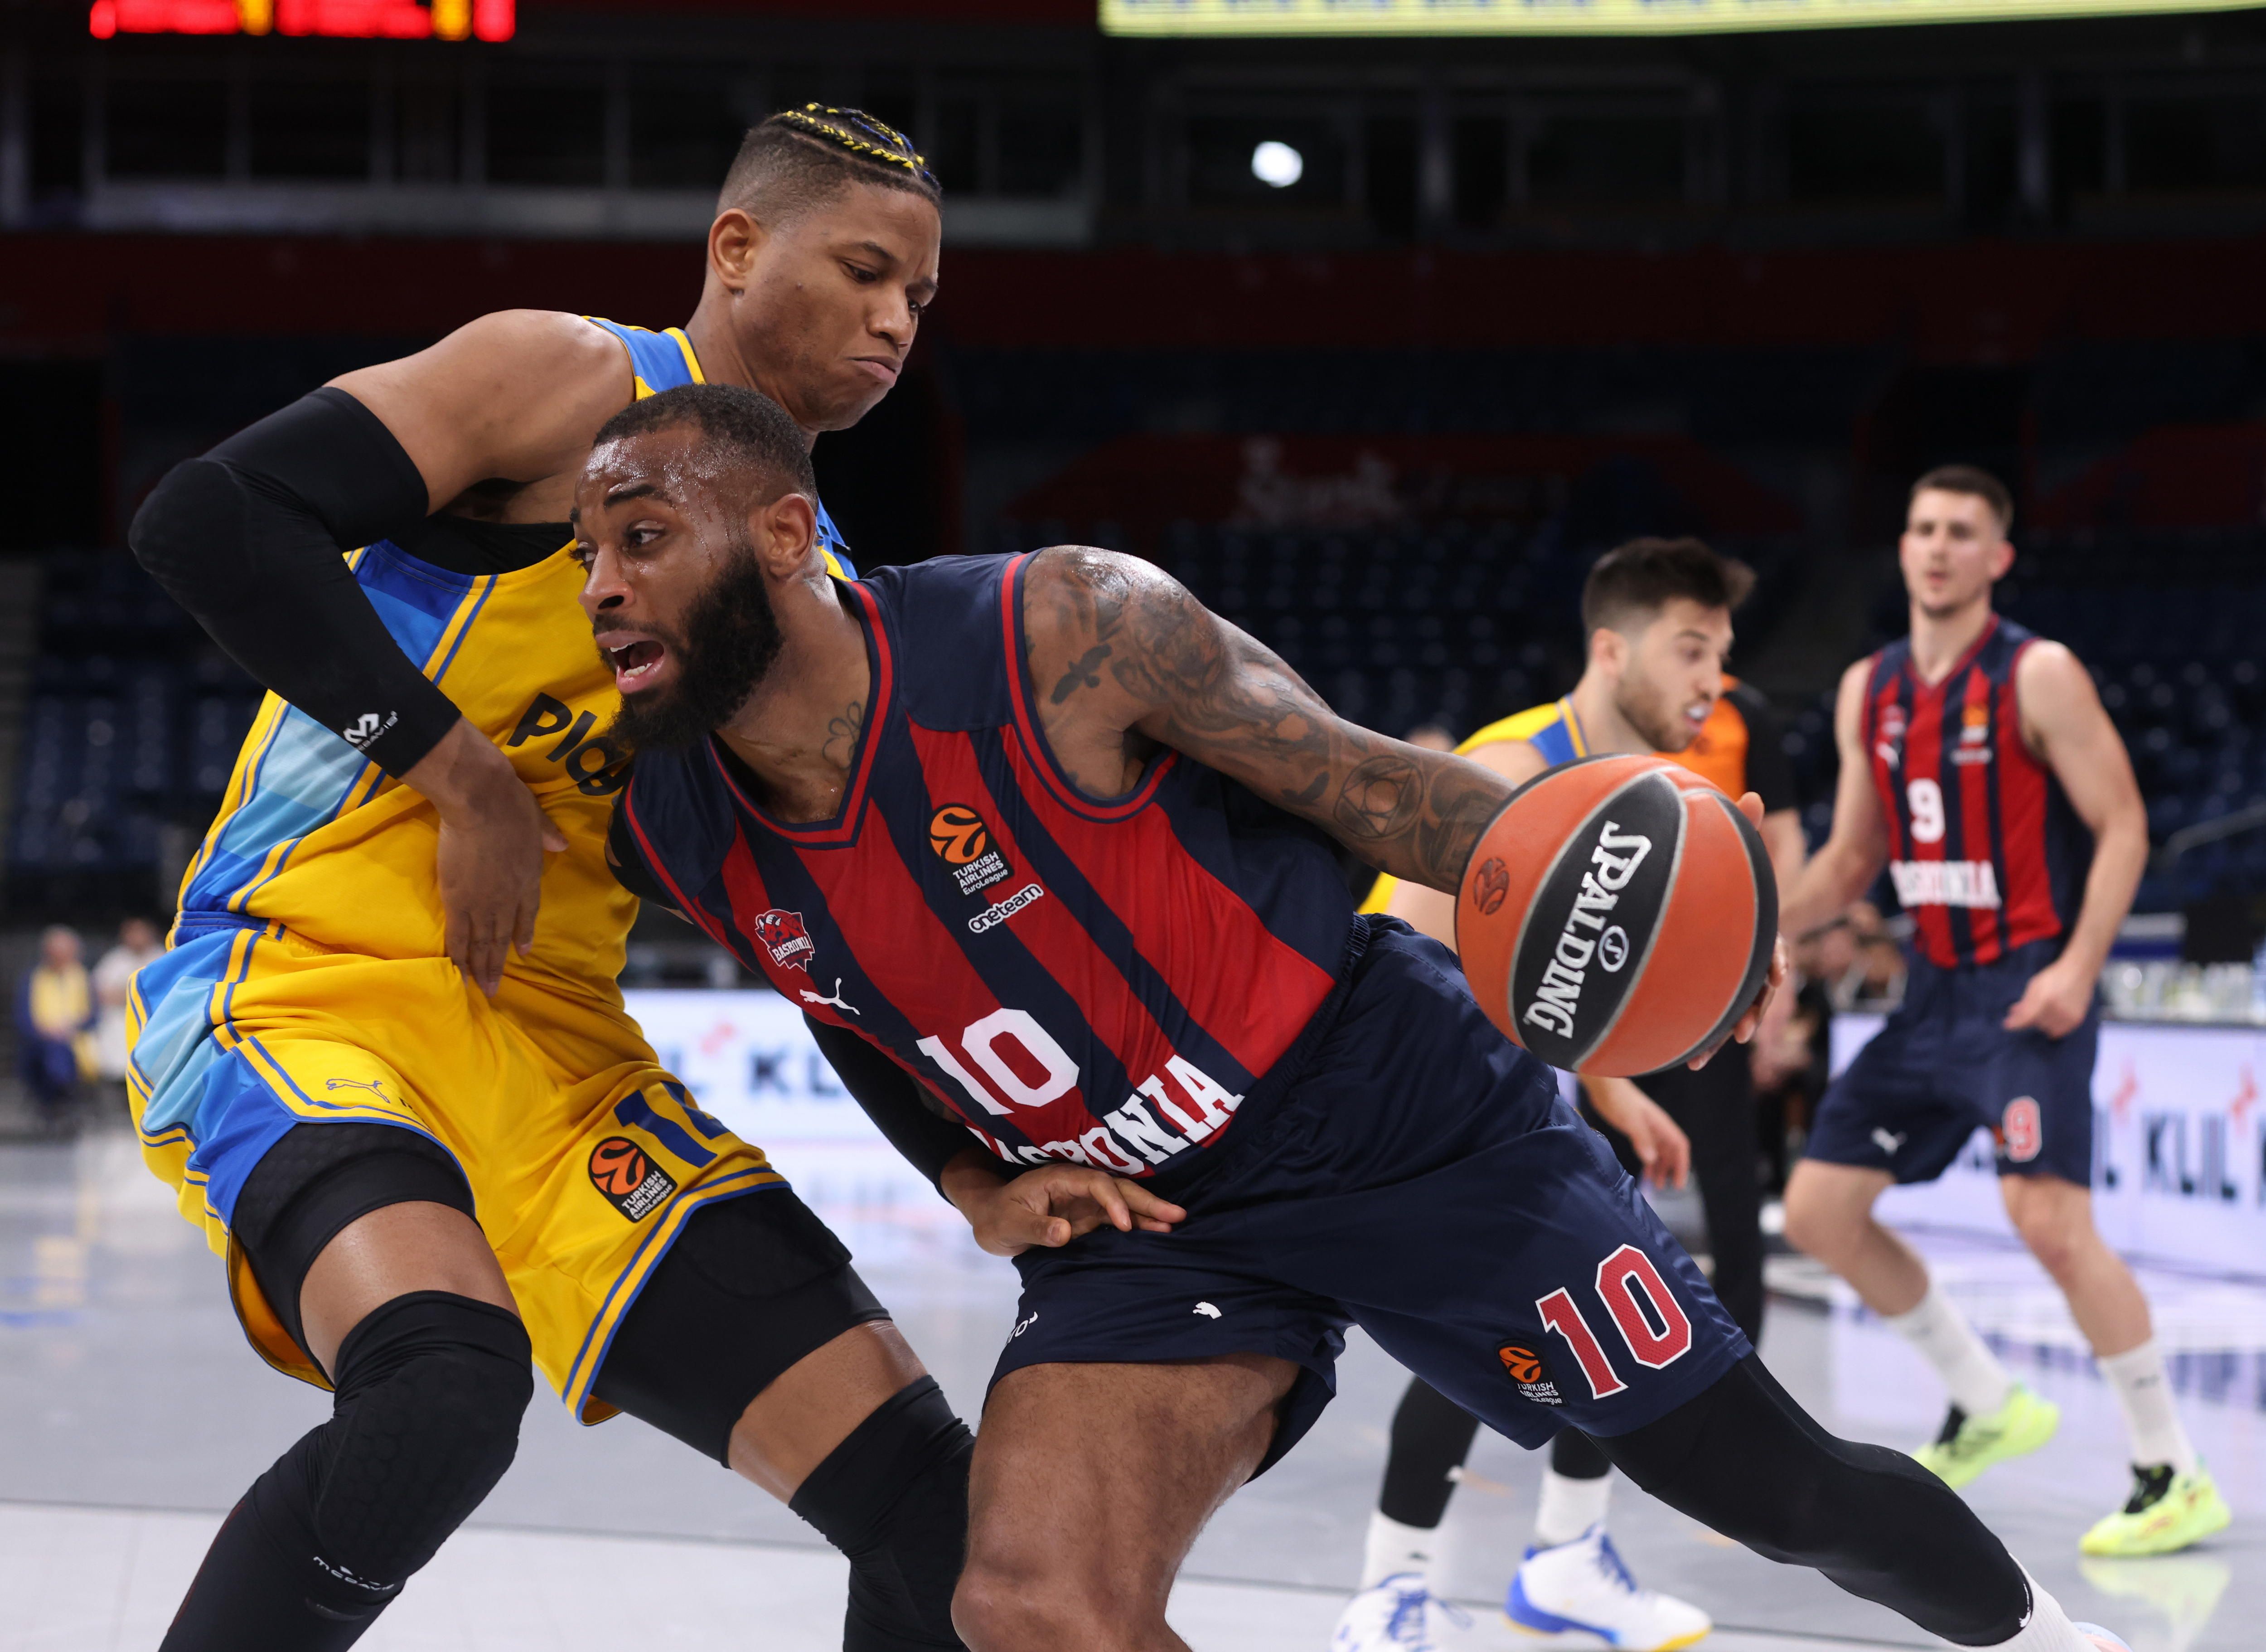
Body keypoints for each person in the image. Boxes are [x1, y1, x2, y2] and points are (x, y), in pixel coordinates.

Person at [586, 381, 2129, 1652]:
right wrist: (971, 1180)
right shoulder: (671, 821)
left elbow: (1391, 794)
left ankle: (2065, 1643)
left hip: (1397, 1109)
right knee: (1030, 1604)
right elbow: (847, 1011)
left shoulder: (1062, 628)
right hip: (1153, 1216)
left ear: (788, 535)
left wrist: (1671, 938)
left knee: (1778, 1490)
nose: (600, 589)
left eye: (641, 539)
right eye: (589, 553)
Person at [123, 107, 972, 1651]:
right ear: (736, 248)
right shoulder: (573, 376)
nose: (893, 319)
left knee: (942, 1513)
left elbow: (829, 927)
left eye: (919, 296)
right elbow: (211, 516)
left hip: (559, 1054)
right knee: (441, 1384)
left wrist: (982, 1165)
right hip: (309, 985)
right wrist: (458, 773)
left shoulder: (814, 583)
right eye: (863, 270)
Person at [1335, 538, 1808, 1651]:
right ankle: (1390, 1588)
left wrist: (1610, 1087)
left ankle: (1566, 1556)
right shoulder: (1507, 769)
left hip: (1526, 1110)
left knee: (1628, 1314)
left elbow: (1569, 981)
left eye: (1723, 655)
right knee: (1492, 1342)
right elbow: (1399, 951)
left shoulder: (1654, 796)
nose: (1713, 680)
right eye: (1691, 649)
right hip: (1425, 1115)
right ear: (1610, 648)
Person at [1780, 465, 2227, 1558]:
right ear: (1900, 546)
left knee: (2048, 1221)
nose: (1936, 546)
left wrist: (2080, 966)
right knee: (1819, 1211)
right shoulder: (1865, 689)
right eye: (1921, 526)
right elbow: (1850, 857)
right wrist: (1755, 931)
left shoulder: (2039, 673)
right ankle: (1983, 1400)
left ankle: (2169, 1468)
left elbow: (2122, 825)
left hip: (2025, 982)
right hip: (1928, 989)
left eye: (1960, 531)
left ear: (1998, 555)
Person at [19, 924, 95, 1133]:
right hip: (40, 1042)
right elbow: (24, 1019)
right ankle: (62, 1096)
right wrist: (47, 1032)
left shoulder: (83, 978)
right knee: (53, 1051)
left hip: (77, 1040)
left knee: (60, 1051)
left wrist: (72, 1027)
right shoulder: (32, 979)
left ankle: (56, 1101)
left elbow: (93, 1016)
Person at [92, 916, 165, 1114]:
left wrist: (128, 994)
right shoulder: (115, 960)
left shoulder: (161, 957)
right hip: (119, 1020)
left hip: (154, 1020)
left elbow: (166, 991)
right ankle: (118, 1109)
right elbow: (102, 993)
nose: (136, 938)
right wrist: (137, 995)